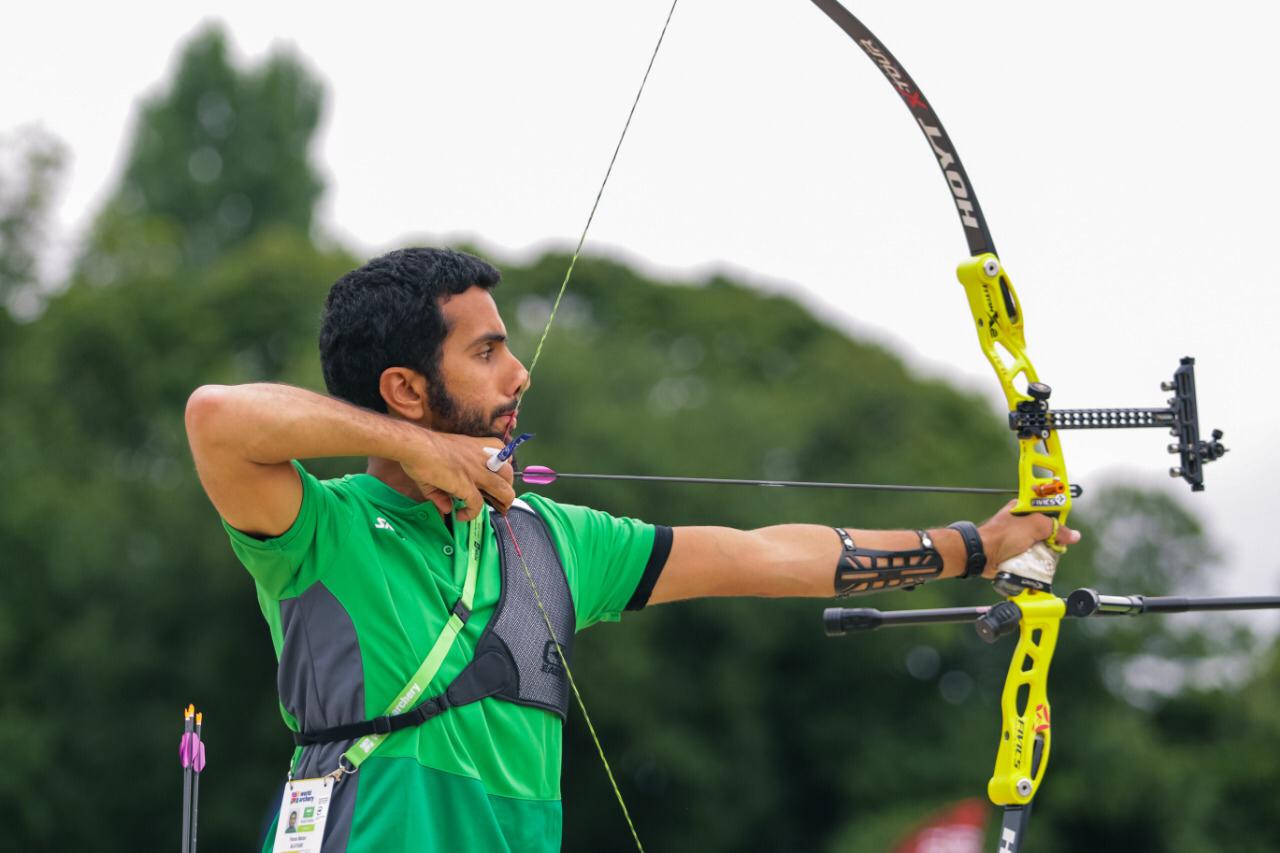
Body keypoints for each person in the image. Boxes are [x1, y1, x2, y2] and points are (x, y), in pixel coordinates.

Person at [184, 247, 1078, 853]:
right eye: (487, 351)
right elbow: (217, 418)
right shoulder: (322, 533)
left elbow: (764, 555)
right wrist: (424, 451)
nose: (518, 372)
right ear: (405, 389)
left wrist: (975, 544)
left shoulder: (552, 539)